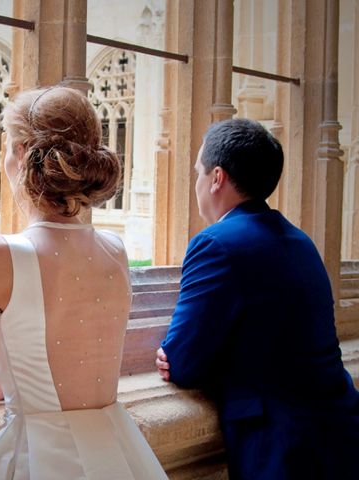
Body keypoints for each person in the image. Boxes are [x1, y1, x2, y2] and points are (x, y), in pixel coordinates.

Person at [0, 86, 168, 479]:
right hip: (119, 451)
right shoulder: (115, 250)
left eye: (7, 145)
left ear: (23, 153)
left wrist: (21, 384)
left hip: (40, 457)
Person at [156, 118, 359, 480]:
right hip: (339, 430)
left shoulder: (215, 244)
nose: (197, 184)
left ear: (217, 178)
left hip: (281, 450)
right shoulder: (301, 241)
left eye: (198, 173)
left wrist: (177, 356)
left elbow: (183, 363)